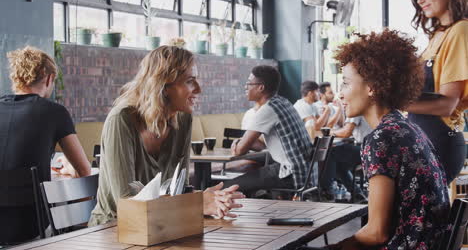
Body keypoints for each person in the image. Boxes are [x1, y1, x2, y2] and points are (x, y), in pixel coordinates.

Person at [315, 30, 450, 249]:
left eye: (346, 84)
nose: (340, 94)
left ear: (372, 87)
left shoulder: (382, 139)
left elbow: (376, 233)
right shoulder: (409, 129)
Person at [88, 46, 244, 226]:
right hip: (113, 229)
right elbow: (126, 204)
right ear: (163, 85)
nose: (198, 89)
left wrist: (214, 201)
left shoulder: (183, 119)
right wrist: (196, 204)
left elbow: (179, 190)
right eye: (190, 81)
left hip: (161, 227)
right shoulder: (121, 120)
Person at [0, 46, 91, 244]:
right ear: (49, 78)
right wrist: (69, 167)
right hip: (32, 226)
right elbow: (84, 170)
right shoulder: (54, 112)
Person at [406, 0, 468, 183]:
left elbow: (447, 104)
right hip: (423, 140)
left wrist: (390, 100)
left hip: (440, 142)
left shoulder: (460, 30)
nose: (420, 0)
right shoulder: (438, 35)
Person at [226, 65, 314, 194]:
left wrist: (239, 144)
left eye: (248, 83)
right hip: (304, 172)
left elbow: (240, 150)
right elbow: (261, 145)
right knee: (246, 182)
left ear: (261, 87)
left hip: (290, 174)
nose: (245, 87)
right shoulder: (283, 102)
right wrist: (243, 141)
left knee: (228, 187)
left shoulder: (267, 109)